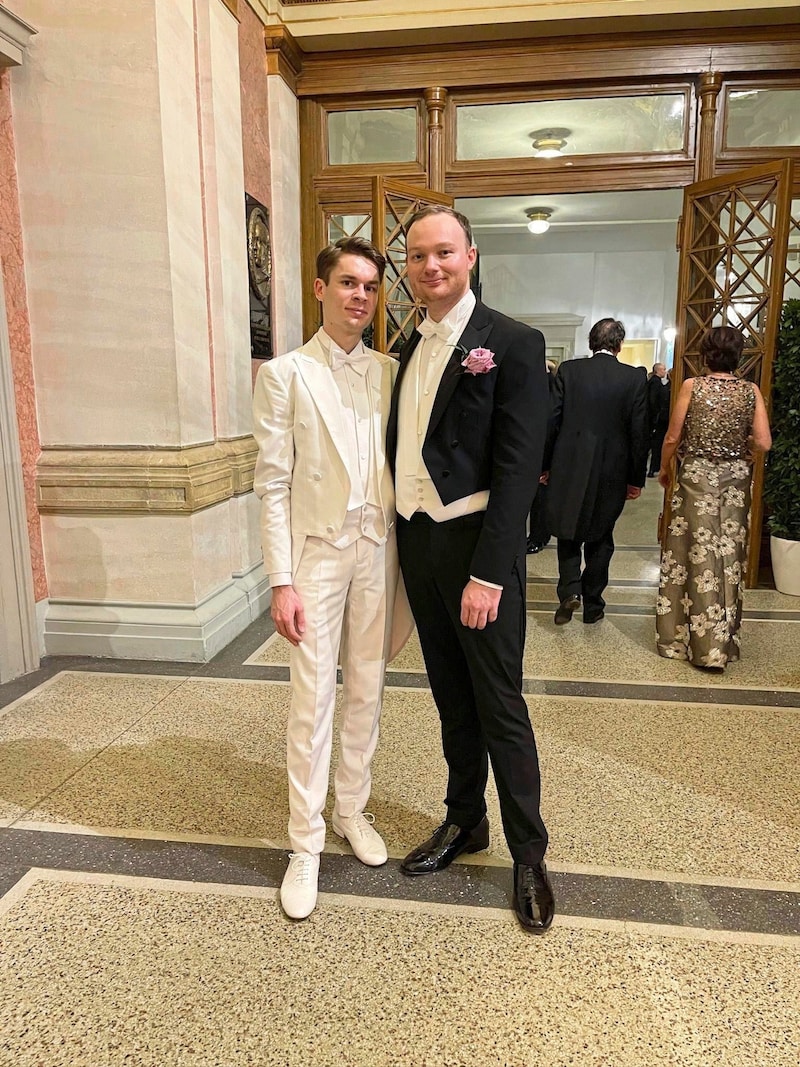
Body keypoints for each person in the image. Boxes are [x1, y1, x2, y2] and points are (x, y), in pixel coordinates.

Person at [386, 204, 554, 935]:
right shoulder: (407, 342)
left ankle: (529, 851)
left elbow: (519, 468)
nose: (431, 266)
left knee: (500, 703)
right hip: (419, 546)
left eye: (444, 252)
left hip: (478, 553)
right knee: (451, 699)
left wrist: (491, 570)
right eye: (418, 256)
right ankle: (465, 821)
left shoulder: (511, 342)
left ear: (471, 256)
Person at [252, 237, 399, 920]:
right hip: (317, 551)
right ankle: (303, 842)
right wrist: (281, 580)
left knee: (367, 683)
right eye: (347, 282)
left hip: (379, 547)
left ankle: (351, 808)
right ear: (319, 289)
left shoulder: (393, 371)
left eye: (369, 286)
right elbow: (273, 483)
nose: (359, 296)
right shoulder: (285, 373)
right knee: (312, 697)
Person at [656, 326, 771, 669]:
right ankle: (721, 645)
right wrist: (739, 449)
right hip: (736, 479)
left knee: (689, 554)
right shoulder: (751, 391)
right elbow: (764, 442)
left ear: (706, 355)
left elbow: (673, 436)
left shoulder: (694, 386)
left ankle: (682, 641)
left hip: (695, 478)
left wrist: (665, 469)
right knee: (728, 557)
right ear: (739, 357)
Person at [544, 318, 649, 625]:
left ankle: (569, 591)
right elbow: (638, 432)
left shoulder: (569, 371)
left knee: (568, 530)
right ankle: (594, 605)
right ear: (619, 345)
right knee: (602, 535)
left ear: (591, 342)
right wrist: (635, 479)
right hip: (612, 468)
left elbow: (552, 421)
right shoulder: (633, 378)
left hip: (569, 464)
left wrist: (545, 465)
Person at [527, 359, 557, 554]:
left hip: (542, 451)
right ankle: (536, 536)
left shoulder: (549, 387)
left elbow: (550, 425)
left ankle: (539, 536)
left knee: (540, 499)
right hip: (531, 449)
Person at [647, 362, 671, 477]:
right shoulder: (656, 383)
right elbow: (653, 401)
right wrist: (656, 415)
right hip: (658, 419)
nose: (664, 371)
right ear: (657, 370)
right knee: (657, 444)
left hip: (657, 418)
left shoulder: (654, 382)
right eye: (663, 369)